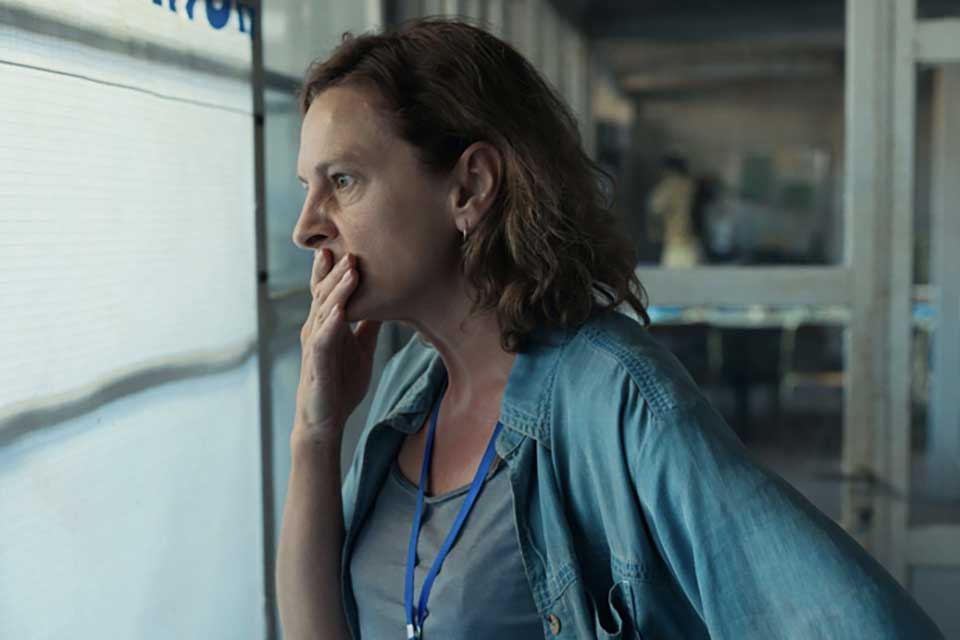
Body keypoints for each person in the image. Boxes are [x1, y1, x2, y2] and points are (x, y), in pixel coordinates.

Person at [276, 17, 944, 640]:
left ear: (470, 187)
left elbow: (855, 622)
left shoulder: (617, 395)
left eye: (343, 180)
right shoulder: (406, 387)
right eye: (309, 186)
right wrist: (316, 431)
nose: (307, 226)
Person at [647, 155, 704, 268]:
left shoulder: (669, 186)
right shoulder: (693, 185)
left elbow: (654, 208)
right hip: (693, 243)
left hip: (676, 243)